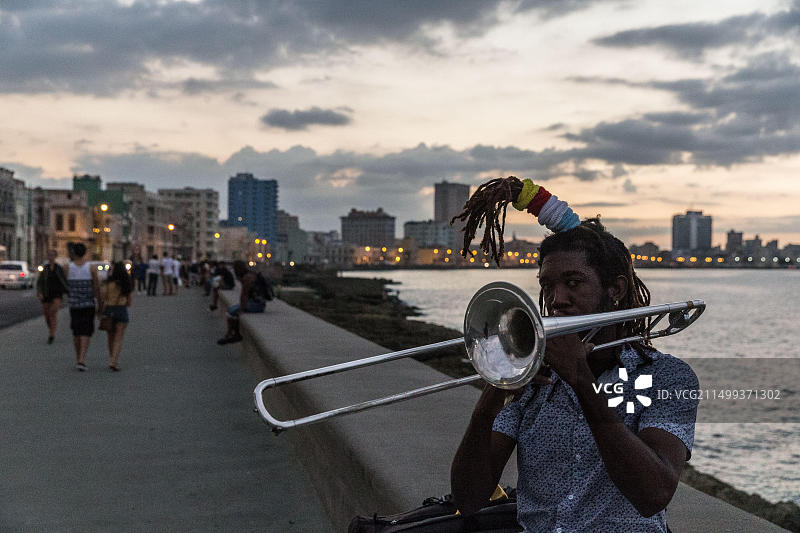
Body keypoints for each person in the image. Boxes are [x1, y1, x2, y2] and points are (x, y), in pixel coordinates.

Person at [450, 177, 699, 532]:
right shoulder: (532, 380)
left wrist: (581, 379)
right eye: (547, 285)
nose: (556, 299)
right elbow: (468, 498)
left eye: (573, 282)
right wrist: (491, 396)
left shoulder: (666, 377)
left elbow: (653, 493)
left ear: (615, 289)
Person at [217, 260, 273, 345]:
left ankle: (233, 334)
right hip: (259, 303)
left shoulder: (247, 278)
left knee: (230, 312)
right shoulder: (251, 274)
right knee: (232, 311)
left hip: (256, 305)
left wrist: (242, 309)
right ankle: (231, 334)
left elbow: (244, 295)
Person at [64, 242, 100, 371]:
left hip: (74, 305)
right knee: (86, 332)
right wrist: (100, 304)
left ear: (73, 253)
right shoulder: (91, 268)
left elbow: (64, 285)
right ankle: (82, 359)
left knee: (76, 332)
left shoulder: (67, 267)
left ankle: (78, 357)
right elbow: (96, 287)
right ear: (85, 253)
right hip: (88, 304)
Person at [99, 261, 133, 371]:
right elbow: (129, 303)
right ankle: (114, 360)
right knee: (118, 338)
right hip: (121, 310)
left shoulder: (107, 284)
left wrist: (100, 312)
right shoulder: (126, 284)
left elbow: (103, 298)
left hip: (109, 310)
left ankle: (111, 358)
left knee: (110, 338)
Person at [36, 248, 69, 344]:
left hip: (57, 293)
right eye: (49, 255)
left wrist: (67, 290)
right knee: (47, 315)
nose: (50, 257)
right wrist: (40, 293)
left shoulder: (59, 268)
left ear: (55, 256)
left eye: (52, 255)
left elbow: (64, 280)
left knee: (52, 313)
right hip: (46, 293)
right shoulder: (44, 268)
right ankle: (51, 330)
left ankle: (52, 334)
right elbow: (40, 282)